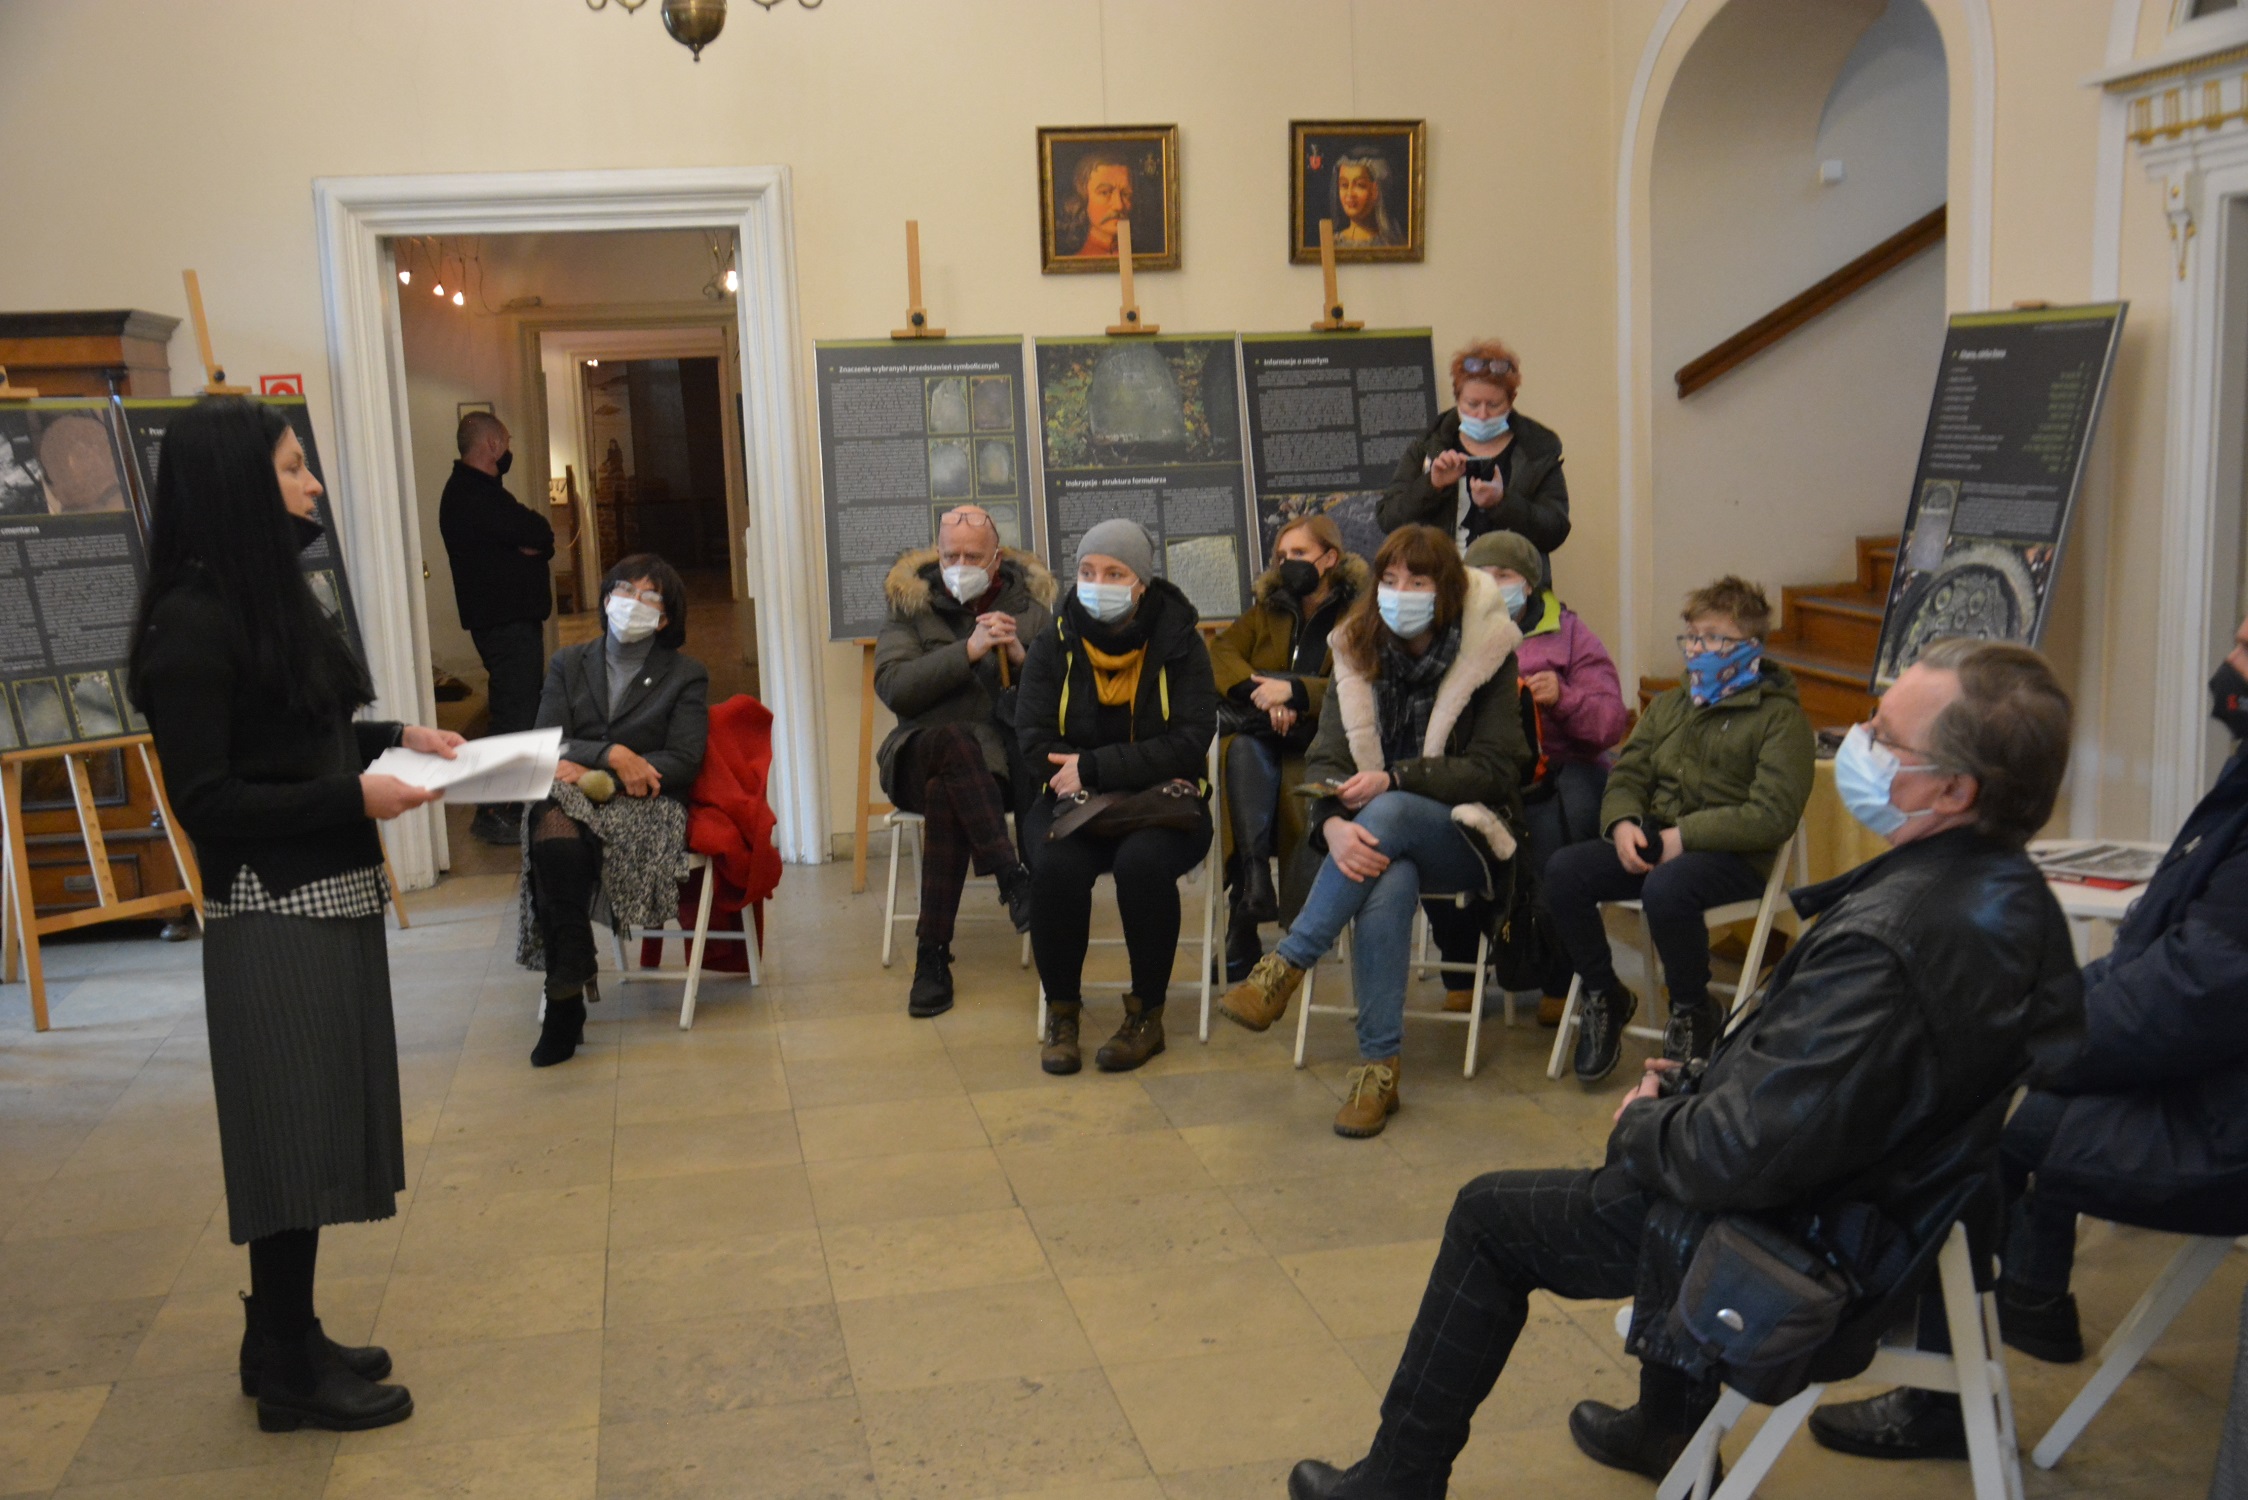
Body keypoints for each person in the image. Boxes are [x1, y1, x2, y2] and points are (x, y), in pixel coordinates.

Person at [1284, 640, 2083, 1499]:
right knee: (1680, 1101)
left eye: (1885, 736)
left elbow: (1735, 1157)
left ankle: (1395, 1483)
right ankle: (1665, 1429)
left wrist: (1649, 1119)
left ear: (1955, 790)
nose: (1858, 742)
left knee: (1489, 1216)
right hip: (1879, 1202)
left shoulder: (1888, 944)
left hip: (1804, 1236)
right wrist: (1700, 1088)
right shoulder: (2014, 895)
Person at [1808, 616, 2248, 1463]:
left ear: (1955, 788)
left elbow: (2190, 995)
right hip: (2197, 1074)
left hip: (2218, 1121)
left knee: (1961, 1119)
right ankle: (2024, 1304)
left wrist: (2012, 1042)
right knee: (1980, 1087)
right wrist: (2031, 1022)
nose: (2229, 659)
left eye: (2247, 648)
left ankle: (1938, 1386)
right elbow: (2155, 963)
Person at [129, 396, 451, 1434]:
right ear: (237, 488)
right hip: (271, 907)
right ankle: (287, 1370)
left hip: (323, 891)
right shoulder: (190, 621)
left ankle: (282, 1335)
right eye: (290, 468)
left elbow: (297, 731)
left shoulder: (259, 594)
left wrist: (397, 738)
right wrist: (353, 796)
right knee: (290, 1138)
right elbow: (209, 800)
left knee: (312, 1129)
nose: (313, 485)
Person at [1217, 526, 1530, 1138]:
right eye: (1389, 580)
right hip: (1375, 842)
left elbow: (1497, 768)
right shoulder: (1357, 649)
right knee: (1388, 872)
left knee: (1390, 811)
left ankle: (1288, 963)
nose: (1399, 593)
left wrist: (1396, 779)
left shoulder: (1487, 654)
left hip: (1469, 833)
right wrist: (1332, 825)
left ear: (1446, 593)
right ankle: (1378, 1069)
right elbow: (1328, 758)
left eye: (1418, 581)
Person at [1547, 575, 1813, 1079]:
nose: (1697, 649)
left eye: (1713, 638)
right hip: (1660, 841)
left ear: (1751, 647)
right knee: (1565, 870)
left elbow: (1771, 815)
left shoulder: (1781, 720)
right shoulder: (1671, 705)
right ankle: (1604, 994)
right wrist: (1622, 824)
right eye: (1691, 637)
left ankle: (1692, 1009)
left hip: (1734, 858)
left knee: (1668, 887)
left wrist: (1684, 837)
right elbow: (1628, 774)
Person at [1017, 519, 1217, 1075]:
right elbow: (1032, 740)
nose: (1096, 584)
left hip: (1162, 804)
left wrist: (1094, 766)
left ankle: (1146, 1015)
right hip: (1070, 800)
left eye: (1113, 573)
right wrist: (1082, 775)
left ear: (1141, 584)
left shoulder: (1181, 643)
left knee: (1141, 865)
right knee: (1054, 865)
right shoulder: (1053, 641)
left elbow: (1190, 741)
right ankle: (1062, 1014)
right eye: (1086, 571)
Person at [1424, 530, 1628, 1019]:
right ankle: (1460, 967)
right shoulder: (1448, 634)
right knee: (1441, 828)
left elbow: (1609, 723)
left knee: (1551, 832)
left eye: (1505, 575)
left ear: (1530, 584)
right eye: (1481, 575)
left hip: (1559, 768)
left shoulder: (1570, 634)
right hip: (1479, 768)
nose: (1492, 584)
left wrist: (1563, 698)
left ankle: (1556, 973)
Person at [517, 553, 708, 1067]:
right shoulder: (568, 663)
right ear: (606, 600)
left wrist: (605, 771)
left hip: (645, 806)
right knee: (552, 818)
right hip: (572, 796)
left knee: (553, 822)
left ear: (664, 619)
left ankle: (566, 993)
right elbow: (546, 740)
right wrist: (611, 755)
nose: (633, 602)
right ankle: (572, 964)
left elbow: (684, 759)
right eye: (624, 590)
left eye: (650, 596)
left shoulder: (686, 675)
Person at [875, 504, 1054, 1017]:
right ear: (937, 552)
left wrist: (1023, 659)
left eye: (972, 557)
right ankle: (1010, 876)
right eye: (950, 555)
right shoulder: (911, 605)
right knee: (952, 743)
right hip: (915, 752)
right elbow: (895, 686)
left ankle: (931, 958)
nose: (959, 565)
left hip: (998, 767)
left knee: (947, 792)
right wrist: (967, 652)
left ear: (996, 559)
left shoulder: (1033, 612)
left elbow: (1062, 698)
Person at [1209, 515, 1369, 979]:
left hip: (1322, 744)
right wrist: (1259, 692)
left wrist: (1296, 692)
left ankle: (1271, 922)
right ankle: (1254, 886)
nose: (1287, 563)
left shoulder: (1360, 612)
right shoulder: (1268, 609)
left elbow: (1364, 676)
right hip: (1262, 737)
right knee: (1240, 750)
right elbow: (1221, 653)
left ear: (1330, 558)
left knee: (1277, 782)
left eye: (1299, 553)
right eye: (1282, 556)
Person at [437, 411, 555, 846]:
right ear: (491, 444)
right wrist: (525, 545)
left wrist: (530, 545)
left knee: (520, 709)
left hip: (509, 620)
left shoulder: (482, 492)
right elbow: (535, 530)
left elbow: (539, 536)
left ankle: (511, 803)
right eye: (506, 440)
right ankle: (491, 810)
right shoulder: (472, 495)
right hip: (503, 624)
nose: (508, 449)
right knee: (513, 714)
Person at [1376, 340, 1569, 579]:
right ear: (1457, 398)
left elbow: (1555, 531)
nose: (1482, 415)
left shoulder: (1537, 449)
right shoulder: (1428, 444)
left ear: (1511, 399)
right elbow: (1389, 520)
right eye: (1472, 404)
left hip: (1510, 587)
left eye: (1494, 405)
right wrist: (1432, 486)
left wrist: (1502, 503)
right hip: (1440, 583)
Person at [1064, 150, 1134, 259]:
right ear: (1083, 197)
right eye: (1105, 192)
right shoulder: (1077, 260)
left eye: (1126, 194)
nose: (1119, 206)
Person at [1331, 151, 1405, 247]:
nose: (1349, 194)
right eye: (1344, 185)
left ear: (1375, 190)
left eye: (1360, 185)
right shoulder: (1332, 243)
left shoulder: (1392, 244)